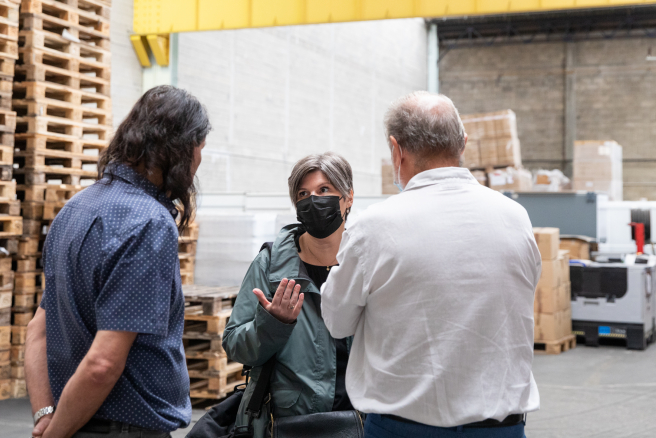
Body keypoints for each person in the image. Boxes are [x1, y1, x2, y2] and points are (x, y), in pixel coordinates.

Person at [321, 91, 541, 438]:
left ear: (396, 150)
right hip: (502, 428)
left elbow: (336, 321)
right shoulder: (516, 218)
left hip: (403, 428)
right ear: (463, 144)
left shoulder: (374, 226)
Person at [24, 85, 211, 438]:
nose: (199, 162)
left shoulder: (74, 209)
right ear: (182, 148)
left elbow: (38, 330)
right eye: (200, 149)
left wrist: (46, 416)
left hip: (72, 420)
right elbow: (103, 364)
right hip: (124, 430)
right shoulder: (149, 224)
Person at [222, 152, 356, 438]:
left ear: (348, 198)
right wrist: (273, 325)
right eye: (303, 194)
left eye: (324, 190)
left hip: (361, 422)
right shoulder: (270, 266)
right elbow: (235, 344)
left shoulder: (366, 262)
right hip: (287, 425)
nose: (313, 201)